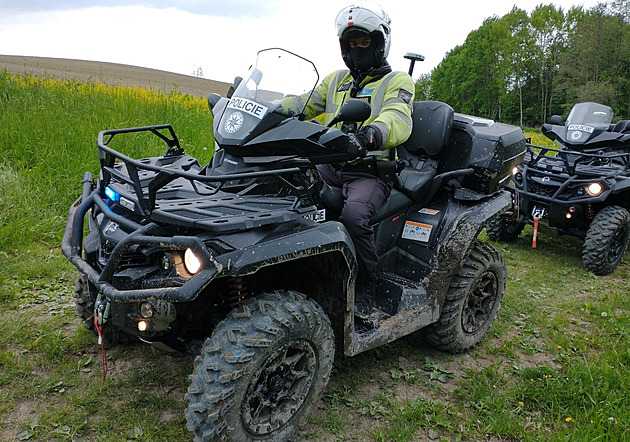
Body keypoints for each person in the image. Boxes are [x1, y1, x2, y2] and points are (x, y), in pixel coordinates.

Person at [302, 3, 415, 318]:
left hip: (369, 173)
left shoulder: (396, 82)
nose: (357, 48)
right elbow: (303, 102)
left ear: (379, 43)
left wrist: (372, 135)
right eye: (352, 43)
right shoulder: (335, 79)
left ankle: (368, 282)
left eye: (364, 42)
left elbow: (398, 117)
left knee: (352, 217)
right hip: (331, 163)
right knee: (290, 186)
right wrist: (265, 110)